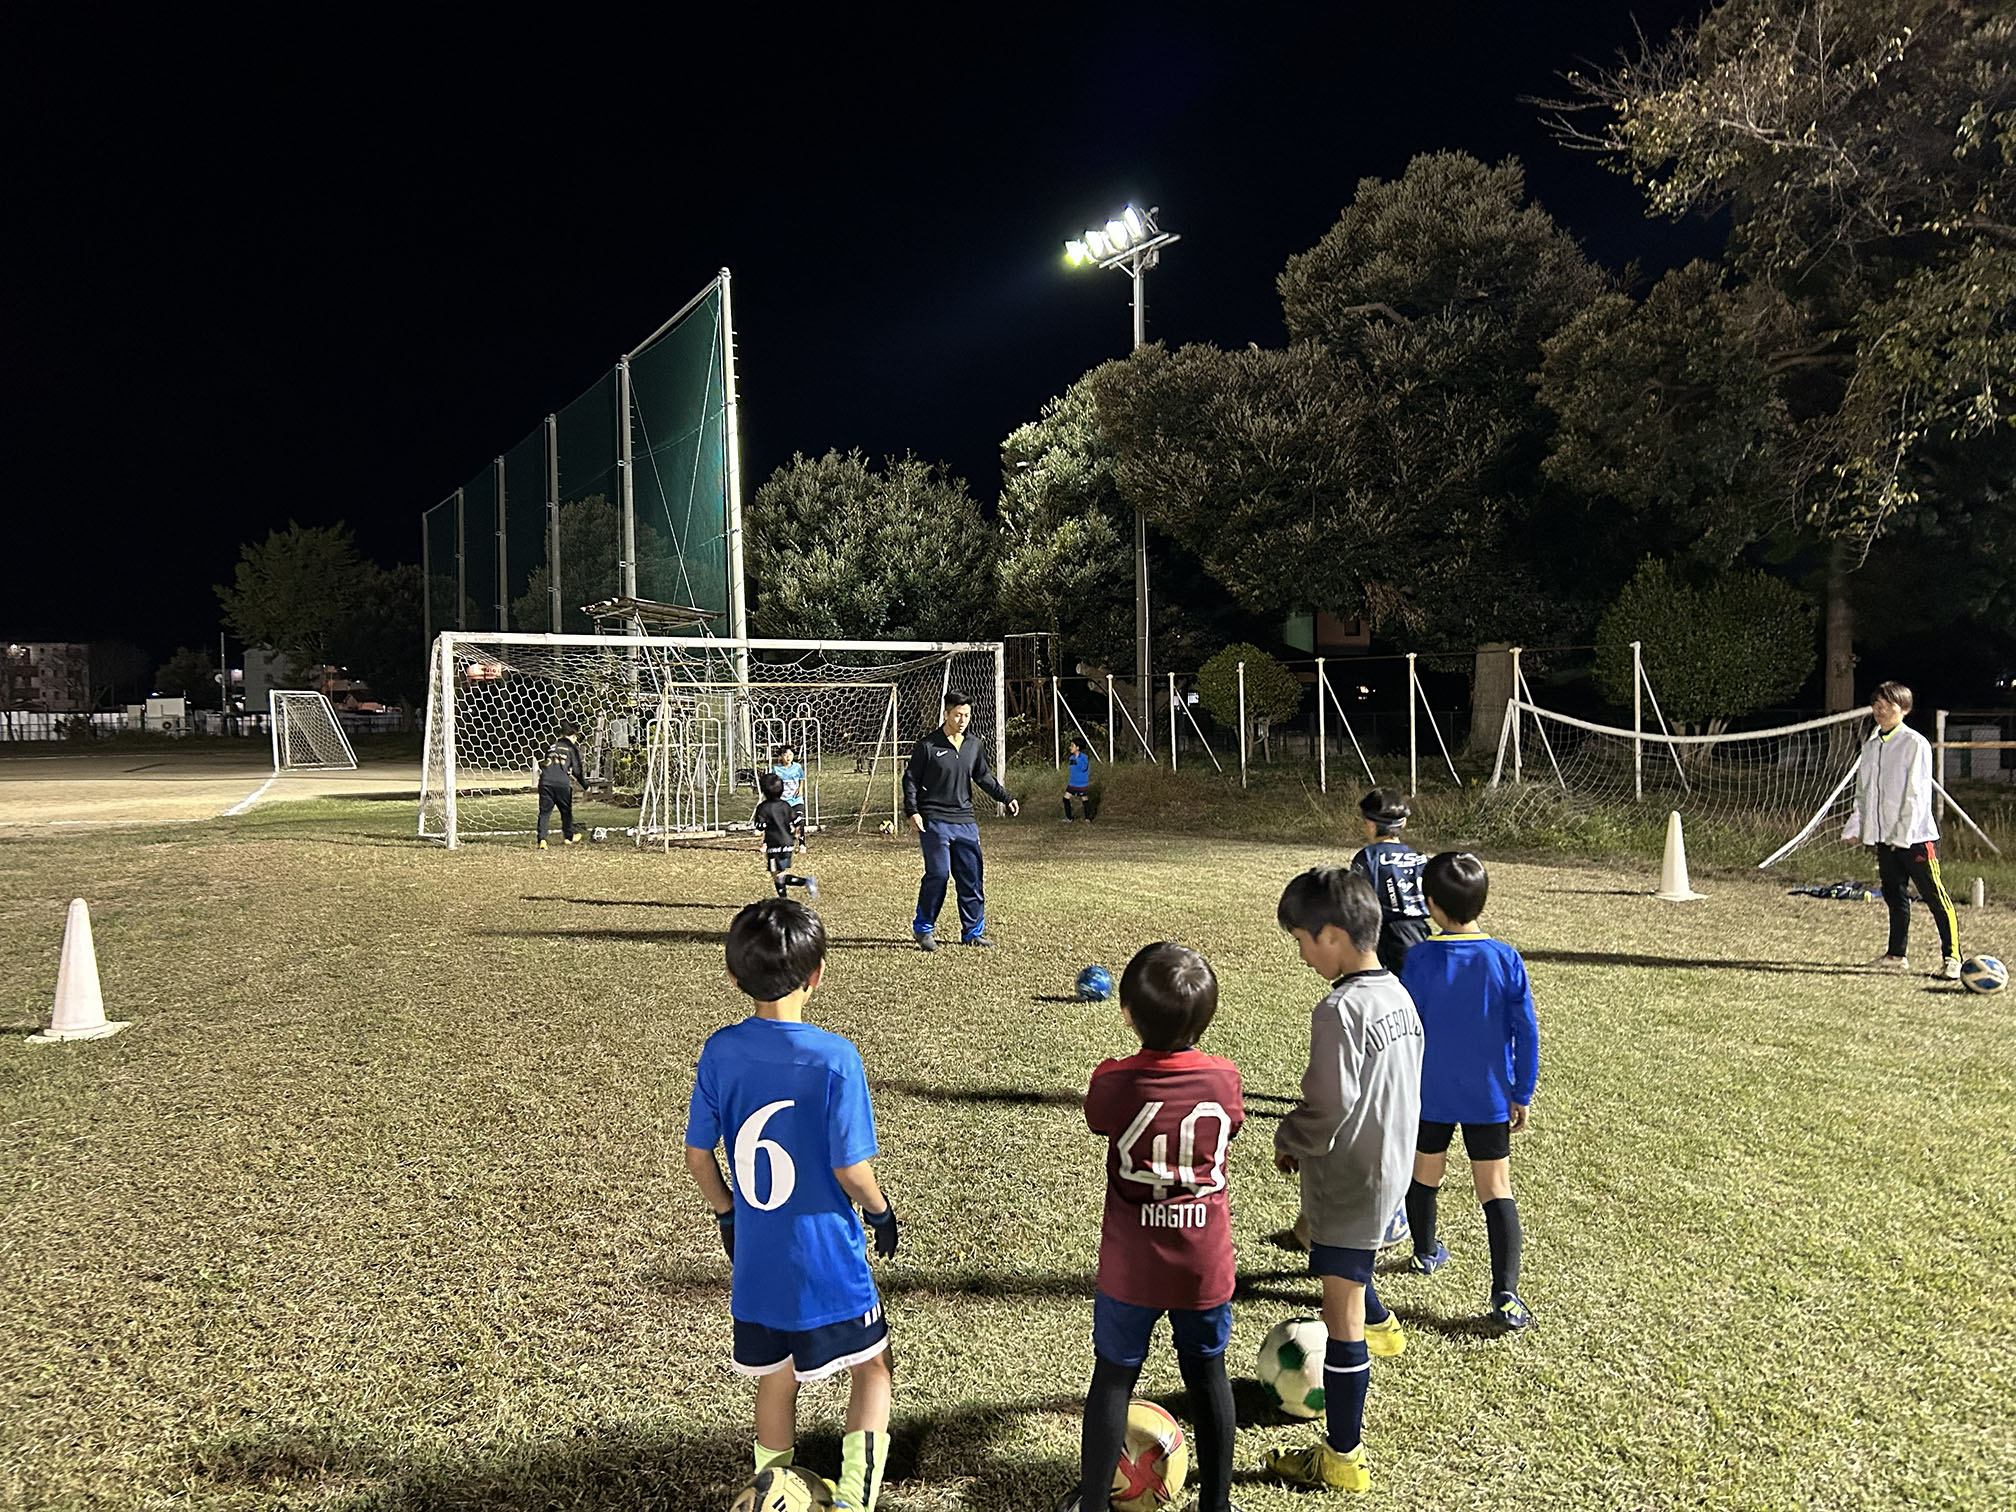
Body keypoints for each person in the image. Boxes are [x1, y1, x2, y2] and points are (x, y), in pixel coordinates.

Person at [684, 899, 899, 1512]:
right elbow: (849, 1168)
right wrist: (880, 1212)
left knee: (774, 1376)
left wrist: (728, 1215)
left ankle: (769, 1494)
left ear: (734, 978)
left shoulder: (720, 1052)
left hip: (758, 1261)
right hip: (827, 1256)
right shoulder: (835, 1058)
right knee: (874, 1365)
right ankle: (855, 1499)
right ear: (818, 974)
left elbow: (700, 1157)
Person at [1066, 942, 1244, 1512]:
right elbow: (1231, 1127)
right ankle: (1216, 1504)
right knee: (1208, 1374)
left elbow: (1099, 1119)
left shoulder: (1115, 1079)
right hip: (1203, 1261)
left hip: (1131, 1265)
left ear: (1126, 1013)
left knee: (1114, 1378)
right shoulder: (1224, 1078)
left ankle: (1093, 1505)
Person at [1264, 868, 1423, 1496]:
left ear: (1332, 936)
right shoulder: (1398, 997)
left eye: (1301, 939)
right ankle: (1386, 1330)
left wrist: (1289, 1139)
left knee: (1340, 1313)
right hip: (1391, 1171)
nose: (1300, 952)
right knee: (1353, 1272)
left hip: (1351, 1180)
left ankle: (1341, 1456)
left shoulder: (1338, 1010)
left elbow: (1327, 1106)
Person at [1398, 852, 1539, 1334]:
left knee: (1425, 1175)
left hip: (1428, 1091)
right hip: (1488, 1095)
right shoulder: (1504, 957)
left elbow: (1405, 1024)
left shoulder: (1418, 958)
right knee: (1495, 1189)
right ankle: (1505, 1294)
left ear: (1431, 904)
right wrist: (1522, 1090)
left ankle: (1425, 1252)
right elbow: (1526, 1030)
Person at [1841, 681, 1960, 979]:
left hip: (1915, 839)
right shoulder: (1870, 747)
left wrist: (1902, 836)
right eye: (1877, 706)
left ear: (1904, 710)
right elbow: (1864, 791)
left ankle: (1952, 958)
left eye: (1888, 707)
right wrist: (1857, 825)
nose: (1881, 712)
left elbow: (1916, 794)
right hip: (1884, 839)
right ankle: (1896, 955)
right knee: (1894, 896)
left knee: (1935, 897)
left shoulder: (1914, 744)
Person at [903, 691, 1017, 951]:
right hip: (933, 819)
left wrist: (1005, 797)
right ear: (946, 714)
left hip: (965, 820)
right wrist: (912, 811)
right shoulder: (927, 746)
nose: (963, 719)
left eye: (967, 715)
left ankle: (972, 932)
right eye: (958, 714)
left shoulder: (973, 745)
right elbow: (910, 780)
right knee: (939, 874)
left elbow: (983, 777)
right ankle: (923, 929)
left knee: (971, 877)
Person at [1349, 788, 1430, 973]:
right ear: (1404, 824)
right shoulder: (1420, 858)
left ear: (1370, 824)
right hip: (1421, 935)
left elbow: (1357, 904)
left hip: (1384, 940)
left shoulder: (1367, 858)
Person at [754, 772, 817, 901]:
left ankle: (805, 882)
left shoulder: (762, 808)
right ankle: (784, 900)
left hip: (774, 845)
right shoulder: (785, 805)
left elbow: (760, 827)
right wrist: (796, 833)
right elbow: (797, 821)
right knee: (778, 873)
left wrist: (762, 826)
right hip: (788, 844)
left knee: (778, 876)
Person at [537, 719, 585, 848]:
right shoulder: (571, 748)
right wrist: (585, 785)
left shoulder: (552, 745)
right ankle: (568, 838)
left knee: (545, 812)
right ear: (574, 736)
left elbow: (543, 761)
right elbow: (577, 770)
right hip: (561, 783)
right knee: (566, 811)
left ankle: (542, 840)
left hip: (545, 781)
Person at [774, 744, 809, 852]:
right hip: (783, 800)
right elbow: (773, 783)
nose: (788, 757)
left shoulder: (797, 767)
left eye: (790, 754)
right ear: (781, 756)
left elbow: (802, 778)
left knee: (799, 820)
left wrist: (801, 788)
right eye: (785, 755)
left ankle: (802, 844)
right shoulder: (776, 769)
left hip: (796, 799)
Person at [1063, 738, 1092, 824]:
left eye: (1072, 746)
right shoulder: (1071, 758)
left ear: (1078, 748)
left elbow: (1083, 768)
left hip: (1081, 783)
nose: (1070, 747)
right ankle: (1069, 818)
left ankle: (1087, 818)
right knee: (1065, 798)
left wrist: (1077, 758)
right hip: (1072, 783)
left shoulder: (1084, 757)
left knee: (1084, 799)